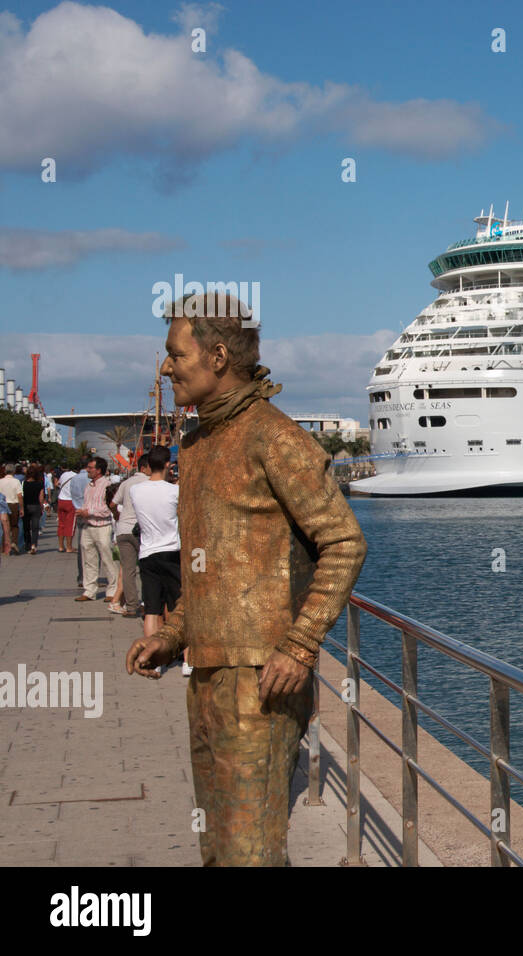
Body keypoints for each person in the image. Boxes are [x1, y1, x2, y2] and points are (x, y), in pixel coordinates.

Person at [126, 292, 367, 867]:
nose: (165, 367)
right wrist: (173, 632)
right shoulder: (200, 443)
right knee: (221, 848)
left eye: (174, 354)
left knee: (247, 854)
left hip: (261, 678)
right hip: (207, 672)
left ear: (215, 357)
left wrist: (300, 643)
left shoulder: (273, 436)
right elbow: (209, 567)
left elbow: (343, 542)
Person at [130, 446, 180, 641]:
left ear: (148, 465)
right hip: (171, 550)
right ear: (169, 464)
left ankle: (152, 657)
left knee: (152, 608)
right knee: (177, 607)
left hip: (147, 552)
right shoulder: (175, 491)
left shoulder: (135, 490)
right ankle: (186, 658)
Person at [75, 458, 118, 601]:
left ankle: (112, 591)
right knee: (88, 559)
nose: (87, 470)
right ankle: (89, 590)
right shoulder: (89, 486)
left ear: (98, 470)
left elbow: (109, 507)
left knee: (107, 559)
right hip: (88, 526)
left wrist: (90, 512)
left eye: (90, 467)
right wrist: (83, 512)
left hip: (102, 526)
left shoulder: (108, 485)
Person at [111, 462, 151, 618]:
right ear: (144, 468)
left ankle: (131, 606)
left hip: (123, 530)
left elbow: (112, 503)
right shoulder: (149, 483)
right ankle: (148, 603)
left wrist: (117, 516)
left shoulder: (126, 483)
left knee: (128, 570)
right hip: (141, 531)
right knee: (146, 569)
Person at [67, 461, 90, 585]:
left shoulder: (74, 479)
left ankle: (81, 577)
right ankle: (91, 577)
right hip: (91, 514)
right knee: (94, 548)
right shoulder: (91, 479)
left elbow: (73, 495)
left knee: (82, 547)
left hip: (79, 513)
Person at [21, 464, 45, 554]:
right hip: (36, 506)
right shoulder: (39, 484)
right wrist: (41, 506)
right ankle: (34, 545)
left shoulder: (24, 484)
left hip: (26, 506)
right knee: (35, 528)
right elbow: (41, 497)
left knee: (26, 527)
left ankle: (27, 545)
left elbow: (21, 496)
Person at [56, 464, 77, 552]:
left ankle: (61, 546)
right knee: (70, 525)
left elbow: (58, 484)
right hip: (71, 501)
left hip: (61, 500)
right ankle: (69, 547)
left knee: (61, 524)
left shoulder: (64, 474)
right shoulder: (77, 477)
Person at [0, 466, 21, 556]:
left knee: (4, 527)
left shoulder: (1, 481)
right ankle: (14, 542)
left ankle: (4, 547)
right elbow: (19, 495)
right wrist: (22, 507)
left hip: (3, 504)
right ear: (14, 471)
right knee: (14, 525)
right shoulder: (16, 481)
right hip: (13, 504)